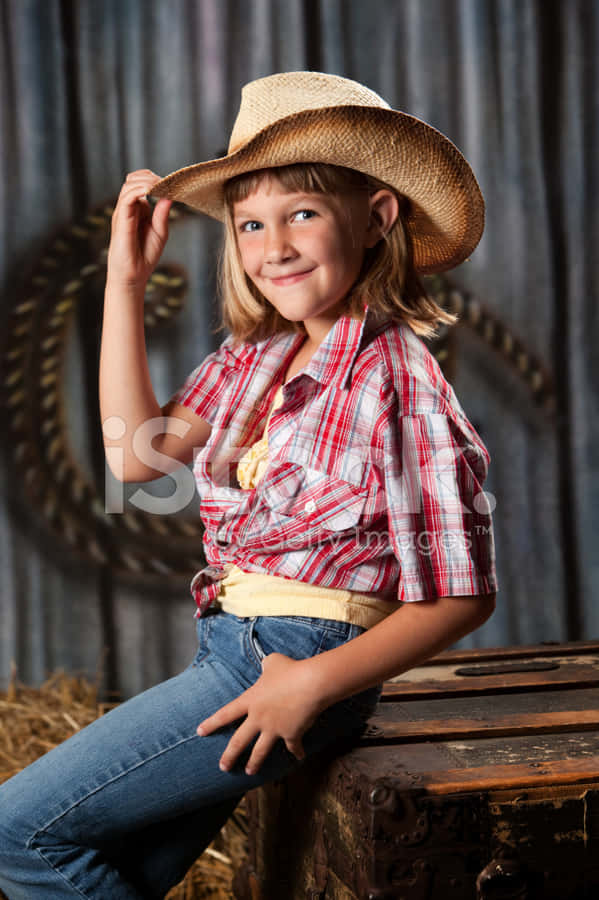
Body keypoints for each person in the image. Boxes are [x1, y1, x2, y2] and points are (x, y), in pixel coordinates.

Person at [0, 71, 497, 899]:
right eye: (250, 224)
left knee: (17, 833)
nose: (275, 247)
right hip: (233, 648)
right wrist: (122, 283)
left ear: (376, 219)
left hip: (302, 661)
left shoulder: (393, 377)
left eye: (302, 213)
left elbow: (459, 597)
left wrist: (309, 683)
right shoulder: (255, 358)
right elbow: (136, 456)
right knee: (106, 867)